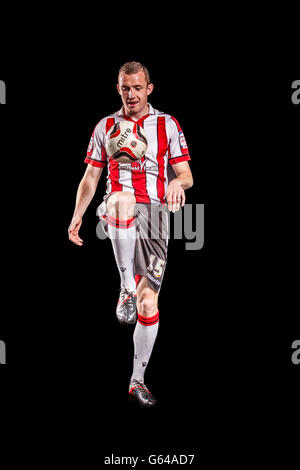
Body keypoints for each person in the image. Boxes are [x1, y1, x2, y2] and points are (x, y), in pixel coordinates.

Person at [68, 61, 193, 407]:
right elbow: (92, 178)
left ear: (149, 88)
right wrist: (77, 216)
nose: (132, 94)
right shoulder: (105, 127)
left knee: (149, 303)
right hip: (118, 207)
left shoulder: (167, 124)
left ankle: (136, 380)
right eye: (126, 88)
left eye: (138, 88)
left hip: (155, 217)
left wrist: (174, 183)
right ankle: (124, 287)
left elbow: (186, 175)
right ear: (118, 88)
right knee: (122, 199)